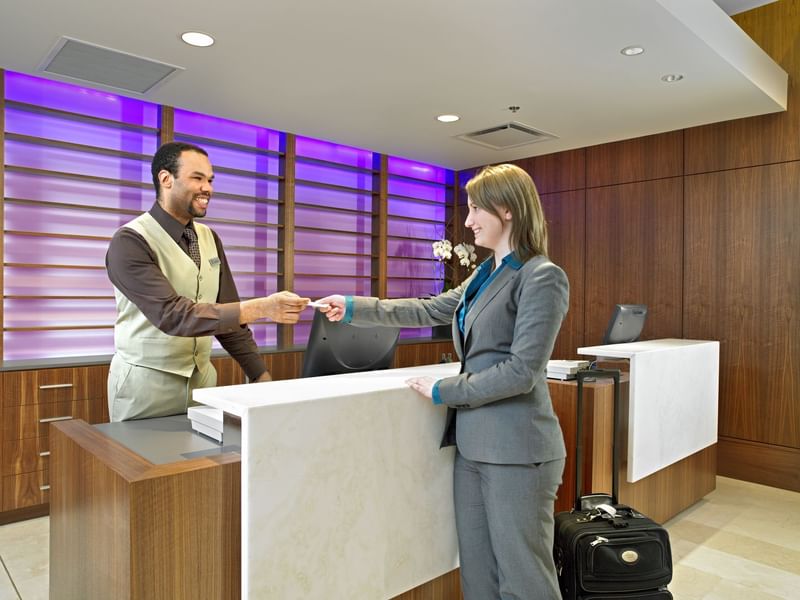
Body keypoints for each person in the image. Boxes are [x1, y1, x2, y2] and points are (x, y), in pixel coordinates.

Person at [319, 163, 568, 599]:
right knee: (477, 574)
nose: (468, 220)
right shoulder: (487, 273)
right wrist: (355, 307)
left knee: (524, 579)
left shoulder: (540, 275)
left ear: (506, 209)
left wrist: (443, 390)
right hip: (472, 446)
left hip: (517, 450)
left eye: (475, 209)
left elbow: (521, 372)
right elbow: (429, 309)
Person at [105, 141, 309, 422]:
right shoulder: (130, 241)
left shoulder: (209, 238)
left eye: (210, 180)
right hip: (145, 388)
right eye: (197, 178)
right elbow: (173, 315)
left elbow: (227, 316)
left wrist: (260, 376)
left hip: (202, 386)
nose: (208, 188)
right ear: (166, 179)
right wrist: (262, 307)